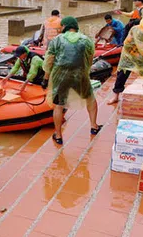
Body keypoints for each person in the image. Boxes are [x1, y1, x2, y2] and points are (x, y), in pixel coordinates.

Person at [42, 16, 102, 144]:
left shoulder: (57, 40)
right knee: (90, 99)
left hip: (60, 77)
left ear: (64, 26)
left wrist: (46, 78)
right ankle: (94, 126)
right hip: (80, 74)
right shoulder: (86, 40)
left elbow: (49, 60)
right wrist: (86, 71)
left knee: (58, 105)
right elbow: (90, 58)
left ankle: (58, 135)